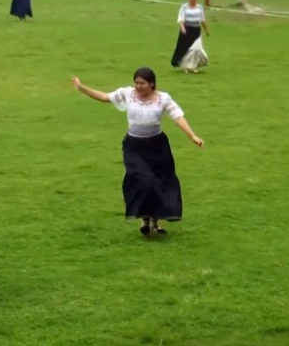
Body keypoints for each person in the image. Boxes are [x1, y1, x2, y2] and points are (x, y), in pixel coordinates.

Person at [71, 68, 204, 236]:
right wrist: (82, 87)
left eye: (142, 83)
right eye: (136, 83)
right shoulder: (127, 94)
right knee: (143, 181)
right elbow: (104, 97)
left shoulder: (163, 98)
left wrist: (192, 136)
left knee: (159, 183)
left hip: (157, 146)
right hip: (134, 146)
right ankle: (144, 218)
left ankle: (154, 222)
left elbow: (178, 117)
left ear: (152, 84)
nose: (138, 86)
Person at [171, 0, 209, 74]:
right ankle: (187, 67)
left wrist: (206, 30)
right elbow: (181, 19)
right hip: (187, 30)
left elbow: (202, 20)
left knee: (197, 49)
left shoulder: (200, 7)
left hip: (196, 31)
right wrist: (183, 28)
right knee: (186, 50)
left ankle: (194, 66)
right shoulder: (184, 7)